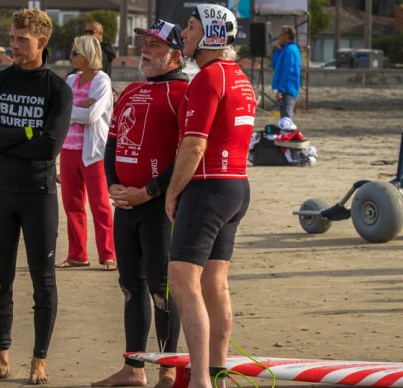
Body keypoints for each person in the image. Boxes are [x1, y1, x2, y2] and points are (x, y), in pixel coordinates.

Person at [0, 7, 72, 385]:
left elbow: (49, 148)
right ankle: (1, 359)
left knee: (43, 281)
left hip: (39, 194)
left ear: (42, 42)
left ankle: (39, 360)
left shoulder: (57, 90)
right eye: (12, 38)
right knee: (0, 280)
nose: (13, 45)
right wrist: (27, 133)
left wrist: (8, 138)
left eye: (21, 40)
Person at [91, 18, 188, 388]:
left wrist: (146, 191)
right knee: (130, 286)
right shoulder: (131, 91)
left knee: (161, 288)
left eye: (155, 45)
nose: (145, 50)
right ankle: (134, 368)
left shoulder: (184, 94)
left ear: (176, 55)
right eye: (144, 43)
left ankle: (167, 368)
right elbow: (111, 144)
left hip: (159, 207)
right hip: (125, 207)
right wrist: (114, 185)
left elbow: (185, 155)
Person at [165, 4, 256, 387]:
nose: (183, 33)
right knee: (214, 284)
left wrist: (172, 192)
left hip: (208, 186)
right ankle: (218, 376)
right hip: (236, 186)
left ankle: (200, 380)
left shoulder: (208, 78)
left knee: (182, 280)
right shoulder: (240, 77)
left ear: (212, 33)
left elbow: (194, 145)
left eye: (190, 27)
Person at [55, 35, 117, 271]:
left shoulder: (102, 80)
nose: (71, 57)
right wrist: (78, 106)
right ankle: (77, 254)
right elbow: (58, 110)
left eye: (75, 53)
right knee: (72, 205)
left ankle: (108, 254)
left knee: (99, 204)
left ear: (87, 54)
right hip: (68, 150)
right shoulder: (71, 79)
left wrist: (71, 108)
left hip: (93, 152)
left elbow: (91, 117)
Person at [271, 25, 301, 121]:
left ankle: (290, 134)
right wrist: (277, 51)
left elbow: (288, 71)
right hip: (284, 88)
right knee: (284, 116)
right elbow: (275, 65)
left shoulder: (290, 50)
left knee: (287, 117)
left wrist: (281, 89)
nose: (278, 37)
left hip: (287, 88)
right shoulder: (285, 50)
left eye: (280, 34)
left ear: (287, 36)